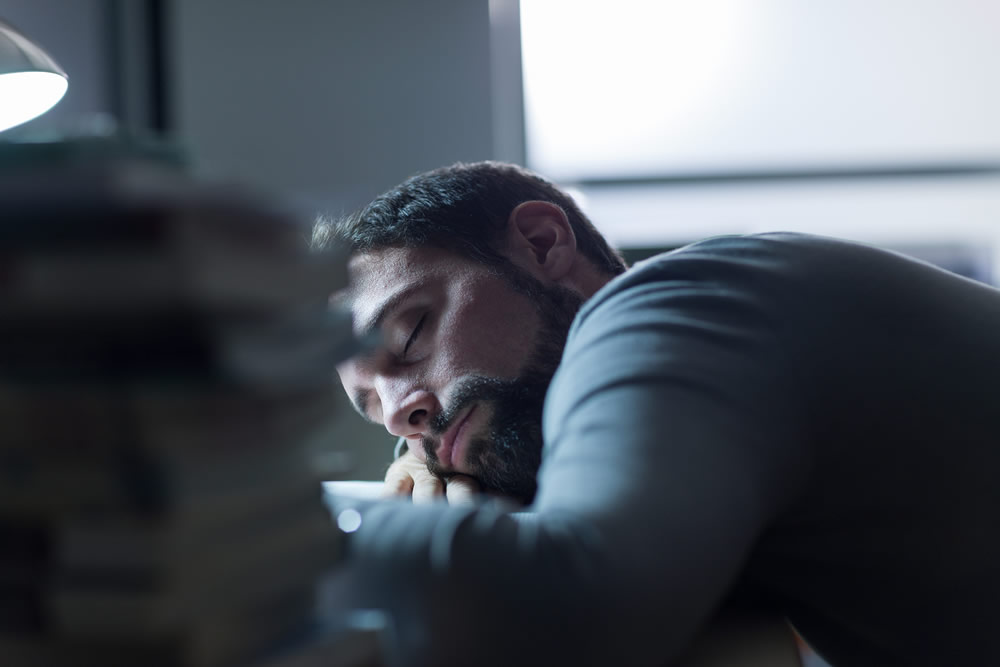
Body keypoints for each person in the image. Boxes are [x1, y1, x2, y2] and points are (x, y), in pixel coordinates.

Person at [317, 161, 1000, 667]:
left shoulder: (672, 305)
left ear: (543, 244)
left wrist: (274, 528)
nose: (406, 411)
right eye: (374, 405)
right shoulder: (719, 447)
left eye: (410, 335)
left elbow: (583, 597)